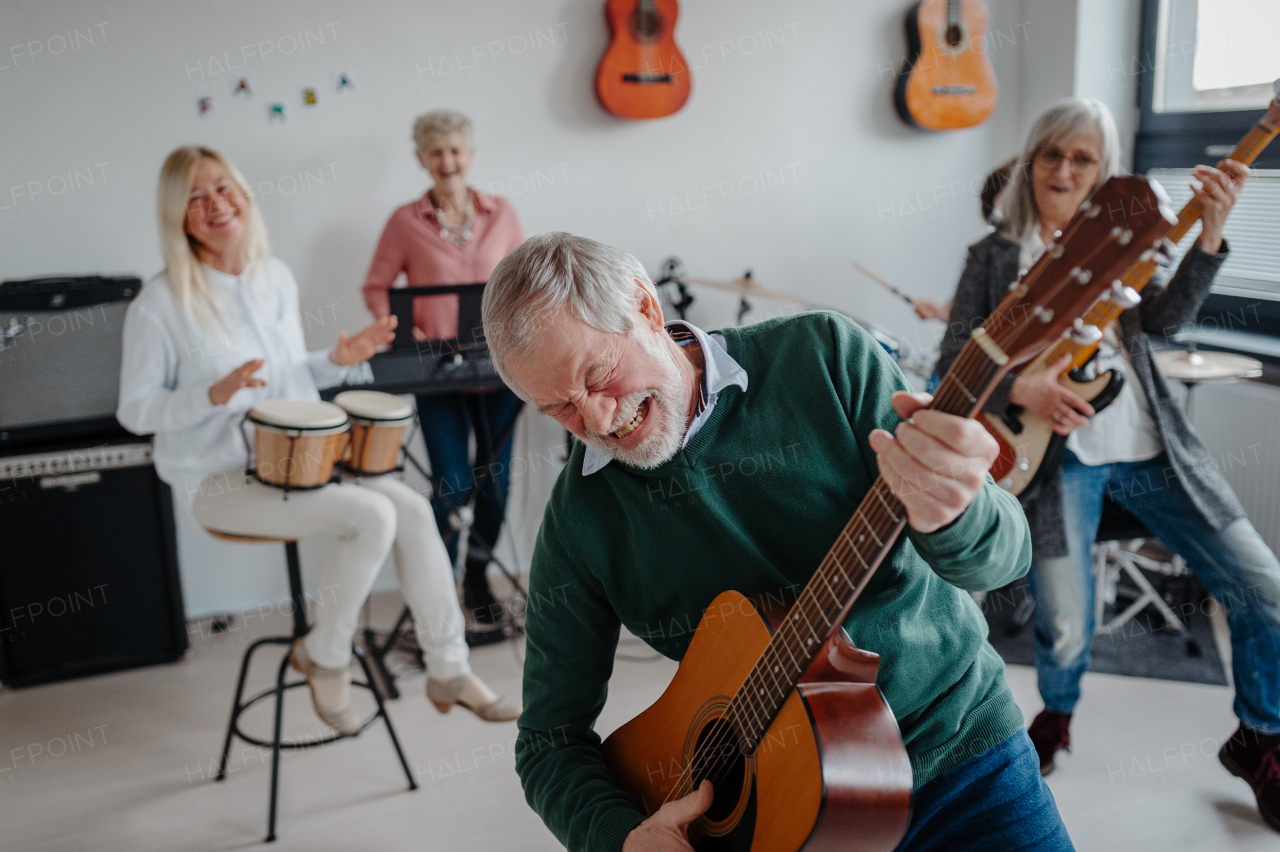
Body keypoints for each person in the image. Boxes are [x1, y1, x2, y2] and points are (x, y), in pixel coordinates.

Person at [484, 232, 1074, 852]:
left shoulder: (822, 356)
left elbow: (1005, 560)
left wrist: (958, 511)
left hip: (961, 759)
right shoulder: (580, 522)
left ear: (644, 306)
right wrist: (621, 837)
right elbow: (548, 740)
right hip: (783, 824)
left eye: (599, 374)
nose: (599, 422)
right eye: (559, 410)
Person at [937, 97, 1280, 830]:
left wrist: (1210, 235)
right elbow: (950, 365)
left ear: (1102, 175)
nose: (1064, 169)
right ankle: (1057, 714)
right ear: (1030, 163)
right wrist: (1023, 384)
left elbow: (1163, 322)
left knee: (1262, 584)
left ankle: (1260, 735)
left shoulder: (1123, 245)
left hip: (1156, 450)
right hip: (1060, 465)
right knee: (1064, 622)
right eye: (1052, 154)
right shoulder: (993, 258)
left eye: (1083, 158)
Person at [117, 146, 519, 734]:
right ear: (178, 216)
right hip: (220, 481)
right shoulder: (159, 306)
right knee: (370, 517)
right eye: (196, 197)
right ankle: (324, 656)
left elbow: (284, 379)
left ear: (245, 196)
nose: (215, 205)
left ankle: (449, 669)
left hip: (300, 463)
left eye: (224, 188)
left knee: (410, 509)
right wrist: (212, 391)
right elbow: (135, 411)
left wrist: (335, 361)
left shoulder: (272, 277)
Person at [363, 109, 526, 625]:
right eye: (436, 152)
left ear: (470, 154)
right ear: (421, 160)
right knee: (452, 484)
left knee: (495, 482)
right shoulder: (403, 222)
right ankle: (435, 588)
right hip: (433, 370)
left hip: (499, 367)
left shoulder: (502, 214)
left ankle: (477, 576)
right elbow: (377, 286)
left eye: (455, 150)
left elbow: (525, 280)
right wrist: (396, 323)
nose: (447, 161)